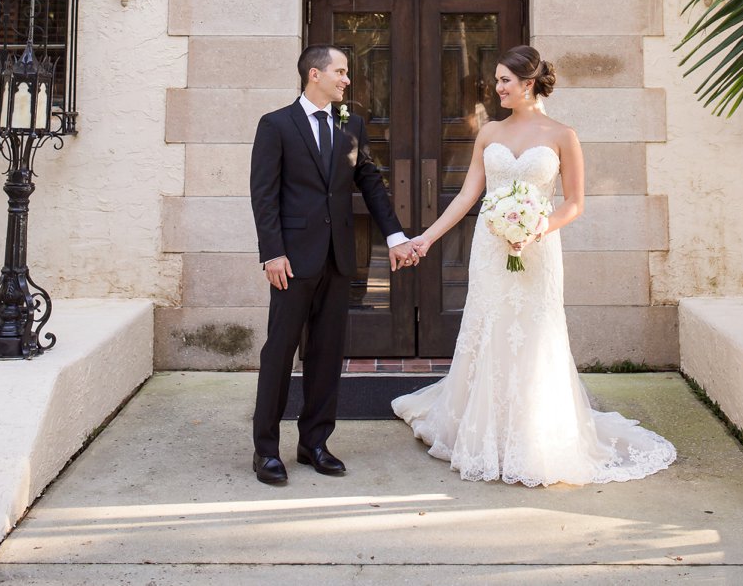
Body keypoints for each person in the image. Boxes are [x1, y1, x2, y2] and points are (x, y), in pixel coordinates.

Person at [392, 45, 676, 486]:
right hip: (490, 250)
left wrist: (537, 228)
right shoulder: (488, 133)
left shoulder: (564, 135)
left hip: (538, 250)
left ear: (528, 84)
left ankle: (534, 435)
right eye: (497, 79)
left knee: (533, 333)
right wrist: (425, 239)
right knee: (490, 328)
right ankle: (484, 431)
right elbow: (469, 196)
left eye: (505, 80)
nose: (497, 87)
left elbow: (576, 203)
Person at [250, 44, 417, 485]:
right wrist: (272, 252)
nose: (346, 79)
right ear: (314, 75)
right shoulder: (276, 125)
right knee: (279, 353)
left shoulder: (351, 125)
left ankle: (315, 444)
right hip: (290, 261)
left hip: (338, 258)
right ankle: (266, 450)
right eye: (340, 71)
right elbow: (263, 194)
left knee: (326, 355)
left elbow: (372, 187)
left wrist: (396, 236)